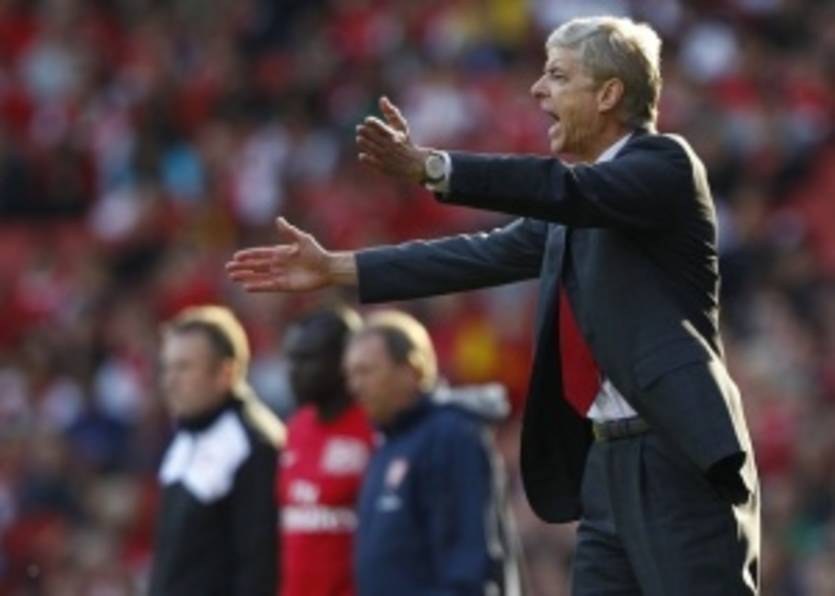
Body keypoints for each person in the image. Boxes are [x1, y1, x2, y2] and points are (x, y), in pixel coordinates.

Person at [225, 15, 760, 596]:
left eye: (558, 76)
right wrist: (337, 268)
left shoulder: (665, 166)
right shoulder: (572, 212)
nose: (538, 89)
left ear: (609, 94)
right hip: (605, 462)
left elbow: (566, 190)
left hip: (674, 453)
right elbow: (471, 255)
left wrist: (433, 167)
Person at [344, 310, 523, 596]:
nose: (355, 386)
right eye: (351, 374)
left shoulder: (450, 437)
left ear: (411, 371)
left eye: (366, 371)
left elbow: (467, 564)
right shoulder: (389, 443)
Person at [149, 305, 285, 596]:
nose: (170, 381)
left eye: (184, 367)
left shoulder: (255, 445)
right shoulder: (187, 436)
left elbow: (260, 567)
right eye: (167, 368)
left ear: (225, 373)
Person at [278, 306, 374, 596]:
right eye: (291, 359)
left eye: (307, 359)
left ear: (343, 361)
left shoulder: (374, 428)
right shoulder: (295, 428)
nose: (293, 371)